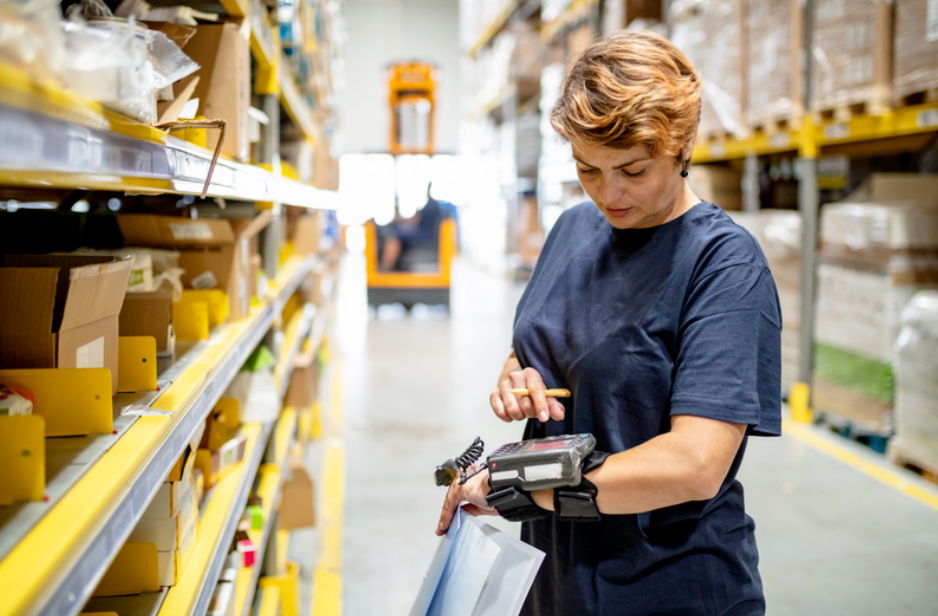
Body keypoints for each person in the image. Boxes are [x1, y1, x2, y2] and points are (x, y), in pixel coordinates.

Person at [436, 30, 781, 615]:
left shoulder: (723, 263)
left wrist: (521, 485)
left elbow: (694, 465)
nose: (609, 193)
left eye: (633, 169)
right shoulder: (573, 229)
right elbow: (541, 347)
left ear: (682, 145)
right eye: (587, 169)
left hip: (665, 586)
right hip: (556, 576)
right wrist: (517, 377)